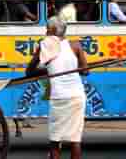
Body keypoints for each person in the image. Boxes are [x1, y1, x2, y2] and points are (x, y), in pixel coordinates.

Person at [26, 17, 88, 159]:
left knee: (55, 141)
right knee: (75, 140)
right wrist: (71, 67)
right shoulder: (76, 46)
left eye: (47, 28)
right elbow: (85, 71)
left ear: (53, 30)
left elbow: (29, 71)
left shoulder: (44, 46)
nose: (46, 31)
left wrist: (48, 70)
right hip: (77, 96)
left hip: (59, 98)